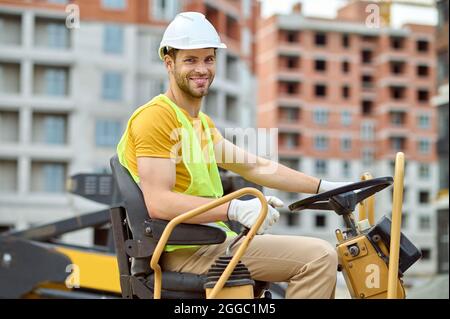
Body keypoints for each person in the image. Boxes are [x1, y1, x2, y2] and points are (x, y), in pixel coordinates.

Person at [116, 12, 351, 299]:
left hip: (210, 242)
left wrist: (324, 187)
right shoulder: (156, 118)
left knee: (325, 255)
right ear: (169, 63)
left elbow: (255, 166)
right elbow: (159, 202)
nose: (201, 69)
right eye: (190, 60)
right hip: (185, 252)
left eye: (208, 59)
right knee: (318, 258)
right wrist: (235, 209)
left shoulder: (199, 124)